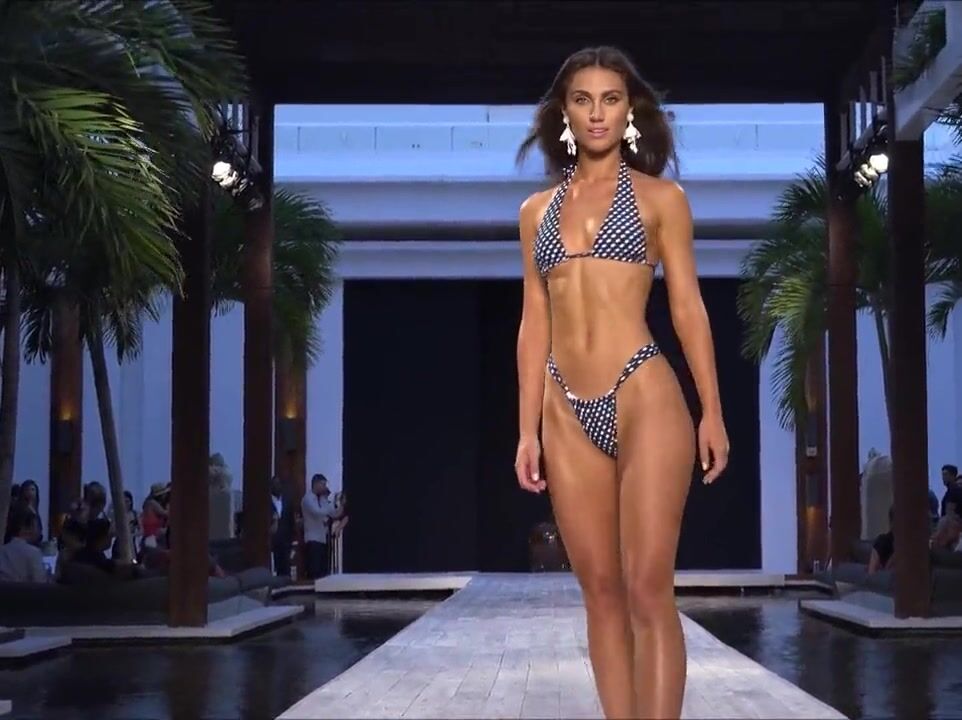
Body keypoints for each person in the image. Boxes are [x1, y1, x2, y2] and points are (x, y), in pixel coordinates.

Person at [513, 47, 728, 720]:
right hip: (563, 404)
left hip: (642, 393)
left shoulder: (662, 200)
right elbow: (533, 320)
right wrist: (525, 430)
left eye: (610, 99)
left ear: (629, 109)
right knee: (601, 594)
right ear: (564, 112)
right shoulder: (535, 211)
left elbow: (687, 308)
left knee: (646, 589)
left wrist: (712, 411)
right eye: (583, 99)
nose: (597, 113)